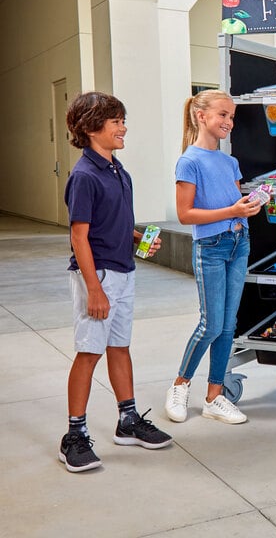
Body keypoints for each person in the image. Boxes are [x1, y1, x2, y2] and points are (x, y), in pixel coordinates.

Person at [60, 91, 172, 473]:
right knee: (89, 351)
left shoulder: (117, 170)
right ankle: (74, 435)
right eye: (116, 122)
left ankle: (128, 420)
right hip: (98, 276)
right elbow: (80, 236)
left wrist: (140, 240)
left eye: (123, 120)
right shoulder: (84, 175)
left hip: (124, 271)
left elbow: (116, 221)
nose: (124, 127)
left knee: (120, 346)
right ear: (92, 128)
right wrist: (94, 288)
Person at [164, 90, 261, 425]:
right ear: (200, 115)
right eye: (223, 115)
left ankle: (214, 396)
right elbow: (185, 214)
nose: (229, 122)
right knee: (210, 325)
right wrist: (233, 210)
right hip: (211, 247)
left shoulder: (229, 162)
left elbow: (234, 205)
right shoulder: (188, 161)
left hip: (239, 243)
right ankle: (180, 384)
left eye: (231, 116)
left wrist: (247, 207)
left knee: (228, 325)